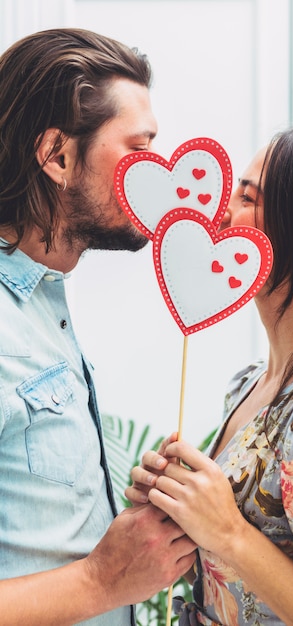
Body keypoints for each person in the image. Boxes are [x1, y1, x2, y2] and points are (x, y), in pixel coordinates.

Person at [126, 127, 293, 625]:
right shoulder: (251, 383)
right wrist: (179, 506)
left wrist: (228, 533)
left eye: (248, 198)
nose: (220, 212)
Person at [0, 28, 197, 626]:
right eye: (140, 150)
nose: (160, 176)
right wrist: (99, 580)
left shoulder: (44, 308)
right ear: (57, 155)